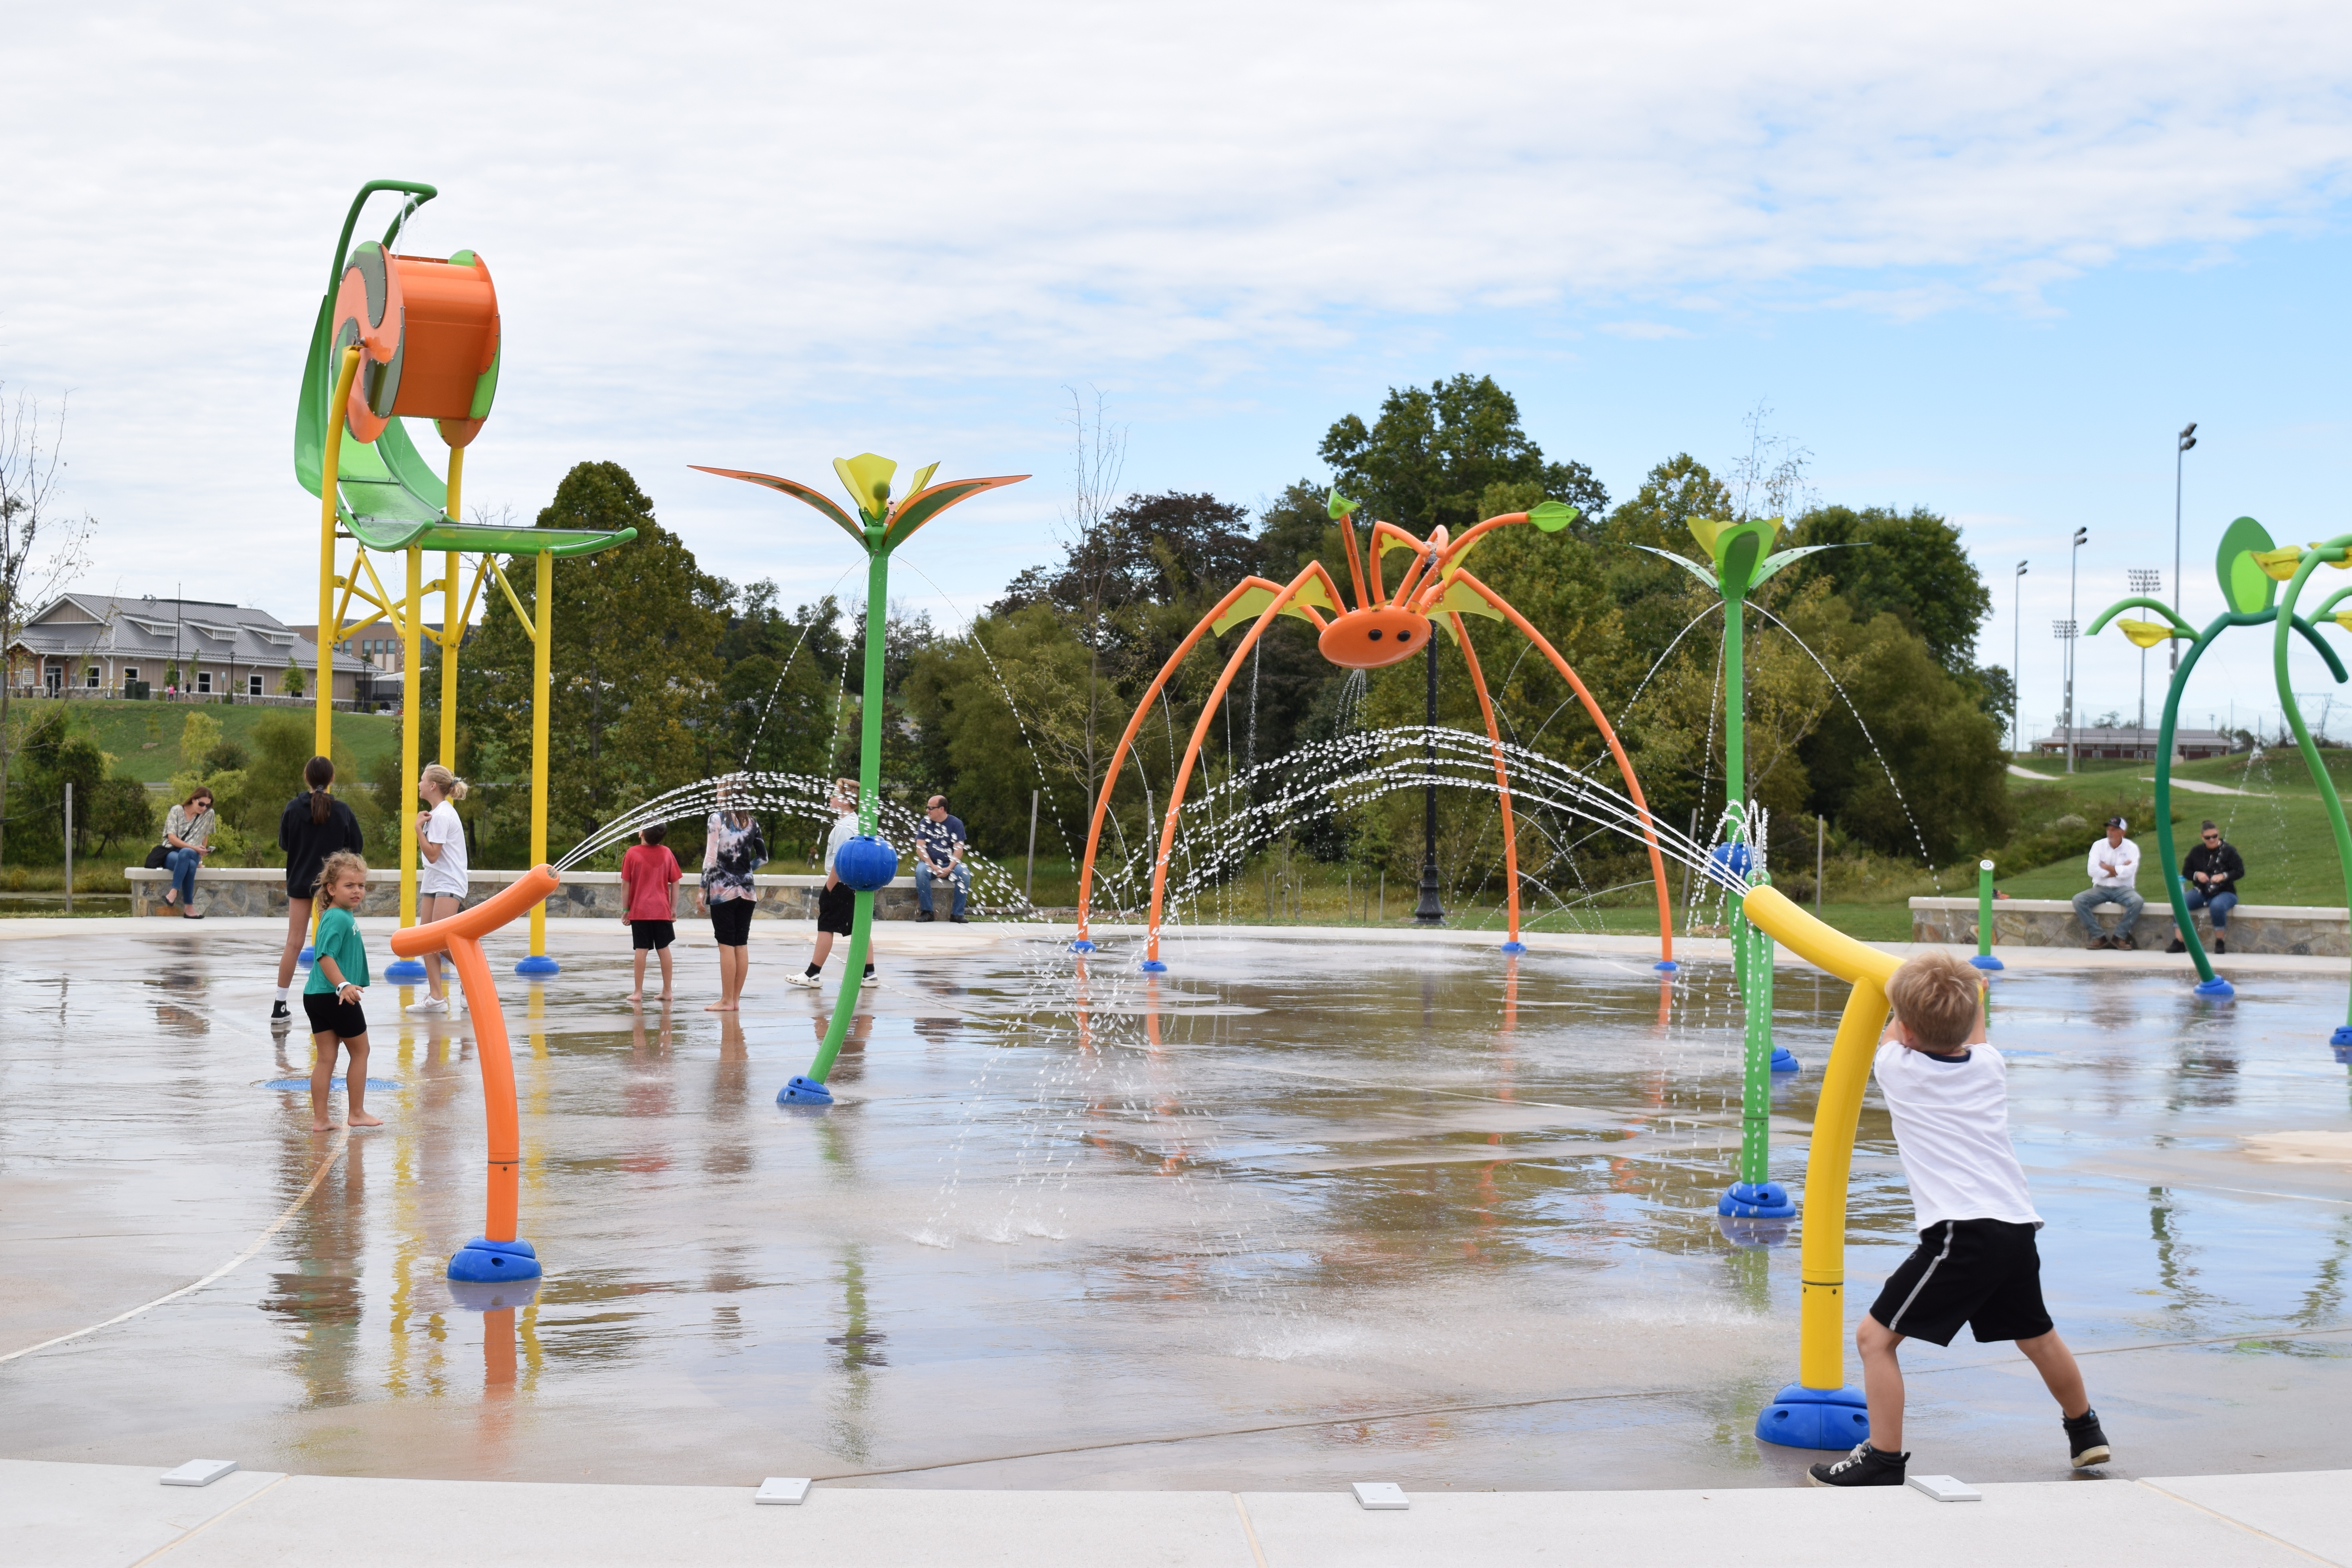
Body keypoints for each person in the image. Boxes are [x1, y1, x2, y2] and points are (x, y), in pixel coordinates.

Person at [1809, 949, 2109, 1487]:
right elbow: (1973, 1027)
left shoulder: (1896, 1067)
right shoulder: (1990, 1067)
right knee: (2037, 1336)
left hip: (1960, 1234)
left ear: (1902, 1028)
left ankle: (1883, 1458)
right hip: (2017, 1228)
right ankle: (2086, 1431)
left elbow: (1901, 1028)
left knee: (1875, 1340)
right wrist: (1963, 992)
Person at [275, 755, 365, 1025]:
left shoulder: (293, 808)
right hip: (332, 886)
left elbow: (284, 844)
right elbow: (356, 846)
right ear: (332, 779)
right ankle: (338, 995)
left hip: (301, 882)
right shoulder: (342, 810)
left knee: (294, 942)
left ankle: (279, 1005)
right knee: (332, 944)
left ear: (307, 777)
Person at [303, 850, 383, 1134]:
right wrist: (343, 985)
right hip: (334, 995)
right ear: (332, 889)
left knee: (326, 1058)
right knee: (361, 1052)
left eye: (361, 886)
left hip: (316, 995)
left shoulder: (335, 915)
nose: (357, 891)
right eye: (350, 886)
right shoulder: (339, 918)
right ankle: (357, 1112)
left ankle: (321, 1119)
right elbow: (325, 956)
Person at [789, 779, 878, 991]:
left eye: (835, 794)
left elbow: (841, 861)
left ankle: (813, 973)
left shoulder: (844, 827)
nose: (831, 797)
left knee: (826, 926)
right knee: (859, 928)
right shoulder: (856, 823)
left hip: (840, 883)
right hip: (853, 883)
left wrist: (829, 888)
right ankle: (870, 973)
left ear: (847, 802)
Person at [407, 764, 471, 1015]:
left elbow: (433, 855)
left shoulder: (443, 815)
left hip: (449, 882)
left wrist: (417, 829)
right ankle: (436, 997)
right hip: (435, 881)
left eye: (423, 780)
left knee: (441, 940)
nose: (420, 784)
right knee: (426, 941)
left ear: (433, 786)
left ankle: (471, 980)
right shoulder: (438, 813)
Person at [696, 786, 766, 1012]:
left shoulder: (717, 819)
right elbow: (763, 858)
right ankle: (734, 1000)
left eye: (719, 791)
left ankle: (726, 1001)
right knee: (741, 944)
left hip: (722, 892)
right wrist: (744, 870)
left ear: (727, 795)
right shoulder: (752, 822)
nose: (717, 795)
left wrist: (702, 889)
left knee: (726, 945)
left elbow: (711, 856)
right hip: (747, 892)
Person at [622, 822, 683, 1005]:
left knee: (641, 950)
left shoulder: (632, 853)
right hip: (662, 910)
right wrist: (673, 908)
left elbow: (626, 884)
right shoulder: (666, 853)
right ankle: (667, 990)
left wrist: (626, 910)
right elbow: (676, 882)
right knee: (664, 949)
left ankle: (638, 992)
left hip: (640, 911)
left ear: (641, 833)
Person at [2173, 820, 2247, 956]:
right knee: (2180, 903)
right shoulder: (2196, 852)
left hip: (2225, 891)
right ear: (2202, 837)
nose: (2212, 840)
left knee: (2217, 906)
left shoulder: (2229, 851)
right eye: (2208, 838)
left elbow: (2240, 871)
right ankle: (2179, 942)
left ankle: (2219, 942)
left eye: (2215, 836)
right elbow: (2186, 872)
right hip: (2202, 891)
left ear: (2219, 834)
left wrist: (2224, 876)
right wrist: (2197, 875)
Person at [2070, 816, 2142, 951]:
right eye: (2109, 829)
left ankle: (2119, 937)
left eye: (2114, 829)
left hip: (2124, 888)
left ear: (2123, 833)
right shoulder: (2098, 845)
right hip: (2101, 888)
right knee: (2079, 900)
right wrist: (2119, 869)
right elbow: (2092, 870)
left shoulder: (2132, 848)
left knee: (2137, 901)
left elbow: (2129, 872)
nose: (2110, 832)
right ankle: (2099, 937)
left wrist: (2105, 867)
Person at [158, 786, 216, 918]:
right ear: (193, 800)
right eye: (202, 804)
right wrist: (194, 847)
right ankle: (189, 908)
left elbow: (205, 836)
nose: (204, 808)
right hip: (172, 852)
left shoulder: (209, 814)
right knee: (189, 863)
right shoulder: (177, 811)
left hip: (193, 854)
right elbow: (172, 838)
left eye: (208, 805)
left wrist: (201, 858)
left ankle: (173, 892)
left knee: (187, 854)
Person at [913, 794, 971, 924]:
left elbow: (959, 849)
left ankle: (957, 914)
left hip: (950, 864)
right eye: (927, 808)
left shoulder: (956, 824)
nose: (927, 811)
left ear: (942, 809)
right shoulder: (925, 823)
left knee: (964, 873)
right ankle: (927, 912)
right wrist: (933, 866)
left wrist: (950, 868)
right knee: (921, 872)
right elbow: (920, 848)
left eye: (931, 808)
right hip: (929, 864)